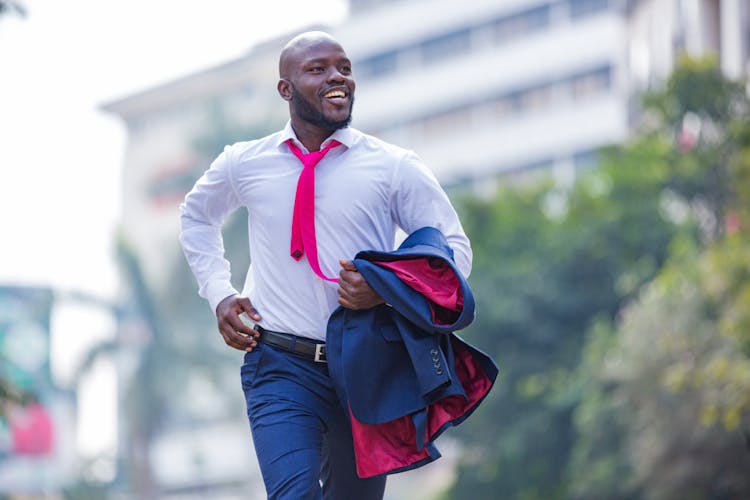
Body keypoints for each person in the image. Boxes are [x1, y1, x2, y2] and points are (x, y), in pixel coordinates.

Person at [179, 31, 472, 499]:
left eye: (344, 68)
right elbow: (196, 216)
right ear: (286, 89)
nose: (337, 77)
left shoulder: (393, 166)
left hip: (364, 367)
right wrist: (220, 294)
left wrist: (387, 290)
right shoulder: (244, 162)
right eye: (318, 69)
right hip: (279, 365)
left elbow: (454, 251)